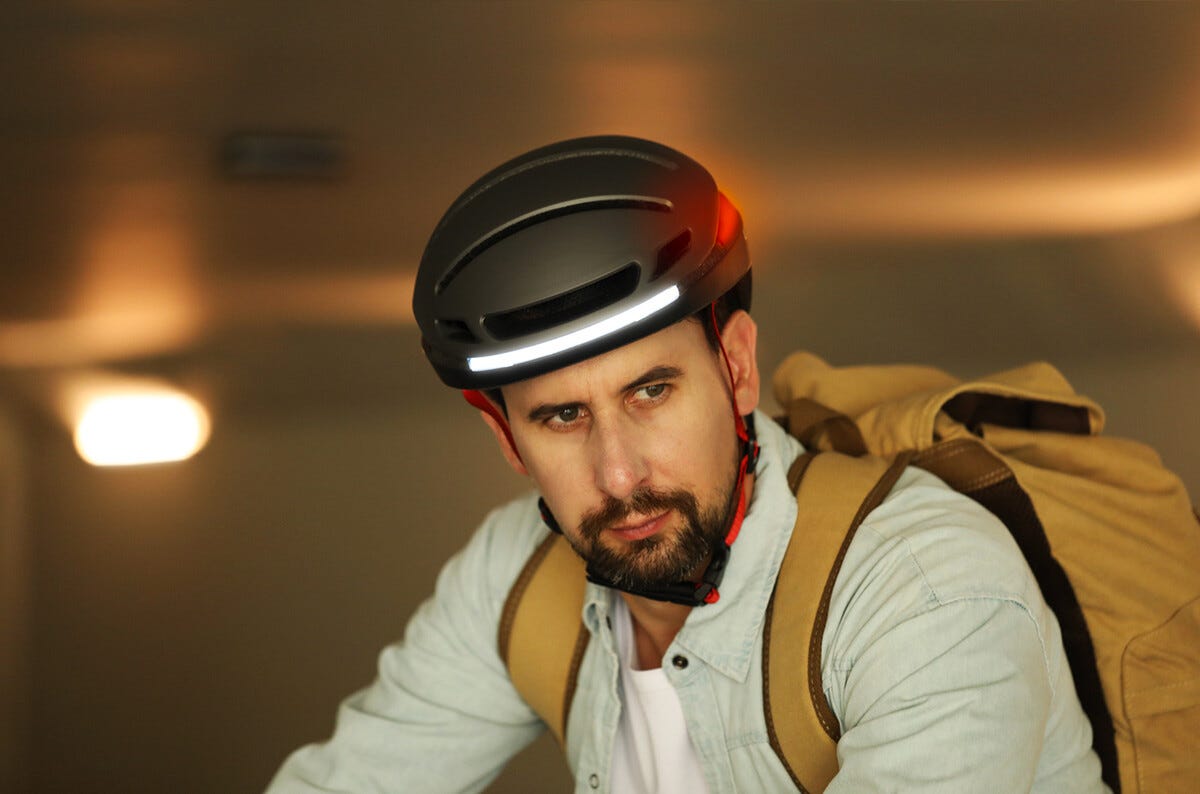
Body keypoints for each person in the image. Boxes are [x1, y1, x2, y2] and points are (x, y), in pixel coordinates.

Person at [267, 135, 1106, 793]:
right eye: (562, 417)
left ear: (735, 368)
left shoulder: (925, 585)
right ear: (508, 441)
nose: (620, 476)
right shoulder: (509, 577)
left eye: (651, 392)